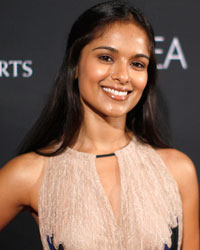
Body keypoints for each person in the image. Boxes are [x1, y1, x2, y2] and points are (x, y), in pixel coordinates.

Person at [0, 1, 199, 249]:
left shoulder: (178, 170)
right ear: (75, 66)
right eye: (106, 57)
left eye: (137, 64)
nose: (123, 76)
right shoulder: (30, 173)